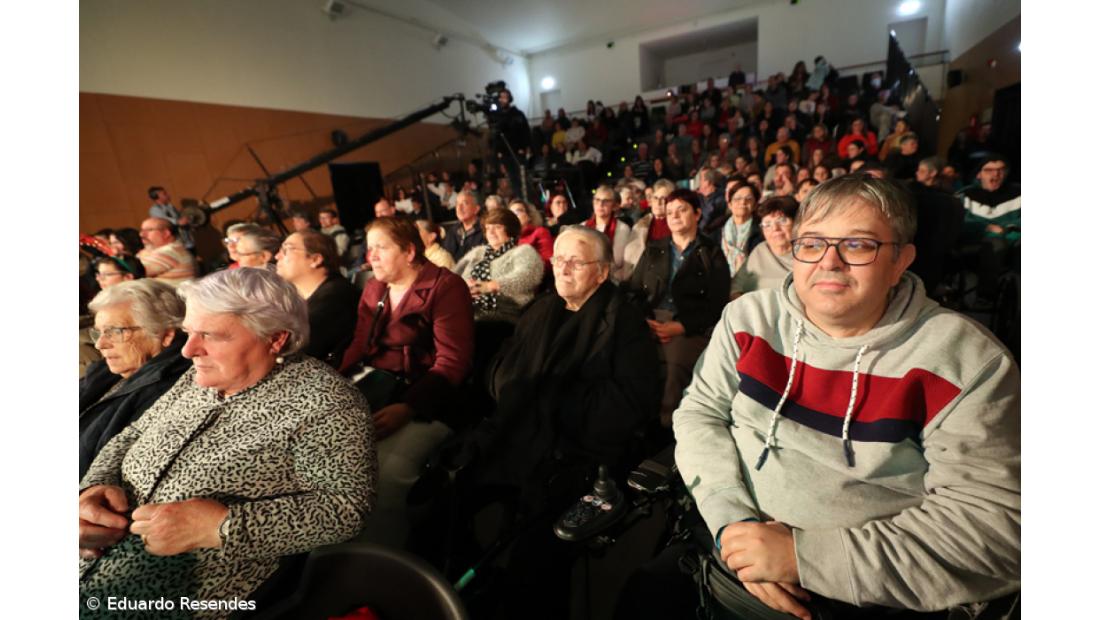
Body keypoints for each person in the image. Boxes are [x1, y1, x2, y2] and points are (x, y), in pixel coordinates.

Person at [672, 175, 1019, 617]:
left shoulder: (965, 361)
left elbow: (995, 529)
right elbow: (700, 413)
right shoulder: (748, 318)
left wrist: (805, 558)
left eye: (857, 245)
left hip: (863, 596)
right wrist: (732, 522)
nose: (829, 262)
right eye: (812, 243)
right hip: (725, 553)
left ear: (900, 261)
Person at [79, 268, 376, 610]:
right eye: (190, 332)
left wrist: (221, 527)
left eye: (210, 335)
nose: (189, 350)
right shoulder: (197, 377)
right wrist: (94, 488)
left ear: (275, 338)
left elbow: (346, 508)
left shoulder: (324, 402)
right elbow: (134, 433)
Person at [462, 225, 662, 620]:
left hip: (578, 453)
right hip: (517, 432)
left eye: (576, 262)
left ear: (602, 272)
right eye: (559, 259)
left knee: (535, 557)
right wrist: (514, 391)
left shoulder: (624, 322)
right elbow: (501, 366)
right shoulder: (541, 309)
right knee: (453, 497)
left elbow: (628, 404)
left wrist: (548, 400)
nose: (563, 269)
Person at [339, 216, 474, 547]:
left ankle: (385, 561)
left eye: (381, 248)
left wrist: (409, 407)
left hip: (429, 396)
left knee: (384, 474)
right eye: (370, 249)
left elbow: (452, 362)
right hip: (381, 386)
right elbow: (359, 345)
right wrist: (331, 384)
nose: (371, 257)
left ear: (409, 251)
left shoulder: (445, 287)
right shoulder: (375, 287)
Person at [624, 188, 730, 426]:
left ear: (697, 214)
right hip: (650, 318)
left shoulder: (711, 253)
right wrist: (644, 320)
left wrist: (680, 326)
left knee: (674, 367)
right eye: (670, 212)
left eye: (682, 210)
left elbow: (717, 303)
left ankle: (666, 428)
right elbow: (633, 290)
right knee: (629, 355)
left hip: (688, 323)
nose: (674, 216)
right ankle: (635, 421)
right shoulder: (654, 248)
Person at [80, 279, 190, 479]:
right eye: (99, 332)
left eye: (116, 332)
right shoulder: (106, 372)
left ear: (165, 335)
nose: (100, 344)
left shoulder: (171, 390)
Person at [275, 230, 359, 365]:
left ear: (315, 259)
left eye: (286, 250)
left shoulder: (335, 297)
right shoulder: (295, 299)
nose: (277, 256)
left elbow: (298, 351)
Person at [454, 210, 545, 323]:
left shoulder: (523, 251)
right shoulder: (477, 252)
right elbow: (453, 276)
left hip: (505, 313)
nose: (491, 232)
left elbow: (527, 276)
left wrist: (489, 286)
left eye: (497, 227)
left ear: (510, 230)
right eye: (488, 228)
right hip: (468, 309)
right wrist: (463, 286)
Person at [730, 196, 798, 297]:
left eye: (782, 221)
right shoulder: (761, 249)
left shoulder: (806, 252)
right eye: (767, 224)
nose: (775, 228)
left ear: (796, 223)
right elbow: (735, 288)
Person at [624, 179, 674, 275]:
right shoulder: (640, 225)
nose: (659, 203)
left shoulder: (676, 226)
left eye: (664, 199)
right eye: (655, 198)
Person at [584, 185, 632, 282]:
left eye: (606, 201)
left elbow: (620, 261)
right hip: (587, 278)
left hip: (613, 279)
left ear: (614, 206)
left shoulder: (623, 229)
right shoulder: (583, 227)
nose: (600, 204)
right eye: (597, 200)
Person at [137, 217, 196, 285]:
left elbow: (132, 272)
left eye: (149, 230)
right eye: (141, 230)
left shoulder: (171, 252)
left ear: (166, 233)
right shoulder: (162, 250)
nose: (141, 234)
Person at [720, 182, 763, 275]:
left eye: (748, 199)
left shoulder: (763, 231)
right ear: (730, 204)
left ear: (755, 205)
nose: (743, 202)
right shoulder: (716, 230)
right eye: (737, 199)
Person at [509, 199, 554, 272]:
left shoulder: (540, 232)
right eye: (511, 213)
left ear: (529, 216)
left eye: (518, 211)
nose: (514, 216)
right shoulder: (509, 238)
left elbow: (549, 261)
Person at [442, 191, 486, 261]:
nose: (459, 208)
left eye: (465, 203)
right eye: (457, 204)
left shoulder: (485, 230)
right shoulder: (453, 231)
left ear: (476, 209)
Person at [147, 185, 194, 250]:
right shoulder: (154, 210)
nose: (168, 195)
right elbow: (165, 221)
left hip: (186, 241)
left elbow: (179, 218)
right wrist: (178, 222)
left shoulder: (170, 206)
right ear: (157, 197)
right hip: (175, 244)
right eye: (164, 194)